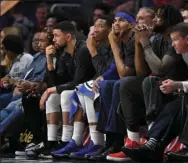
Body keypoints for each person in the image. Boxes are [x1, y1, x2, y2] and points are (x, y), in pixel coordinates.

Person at [122, 23, 188, 163]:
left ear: (187, 39)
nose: (173, 44)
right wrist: (178, 87)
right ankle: (154, 145)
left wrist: (179, 85)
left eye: (175, 40)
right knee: (175, 104)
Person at [112, 5, 188, 162]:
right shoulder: (158, 38)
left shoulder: (177, 38)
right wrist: (139, 44)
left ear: (168, 20)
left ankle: (151, 140)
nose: (153, 20)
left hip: (178, 90)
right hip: (160, 89)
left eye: (158, 17)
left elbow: (160, 70)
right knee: (127, 84)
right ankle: (133, 140)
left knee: (151, 81)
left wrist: (145, 42)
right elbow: (141, 72)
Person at [25, 21, 95, 159]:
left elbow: (79, 81)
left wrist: (50, 90)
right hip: (76, 89)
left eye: (56, 36)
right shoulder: (64, 55)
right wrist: (49, 61)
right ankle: (51, 142)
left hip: (89, 88)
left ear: (68, 37)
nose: (54, 39)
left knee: (63, 95)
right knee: (53, 97)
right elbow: (57, 82)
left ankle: (66, 140)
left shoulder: (82, 50)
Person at [50, 15, 114, 159]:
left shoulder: (90, 48)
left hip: (112, 84)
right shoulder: (100, 47)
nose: (95, 30)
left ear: (110, 30)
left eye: (100, 26)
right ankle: (72, 140)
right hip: (100, 84)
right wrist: (50, 62)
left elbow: (104, 72)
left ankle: (97, 142)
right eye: (94, 26)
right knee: (77, 90)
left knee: (85, 87)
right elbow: (58, 81)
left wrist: (92, 50)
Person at [88, 12, 136, 162]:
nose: (116, 24)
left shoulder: (127, 41)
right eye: (114, 20)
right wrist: (103, 77)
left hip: (139, 81)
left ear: (132, 24)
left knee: (113, 85)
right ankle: (109, 142)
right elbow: (111, 69)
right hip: (126, 81)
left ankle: (114, 142)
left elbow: (124, 73)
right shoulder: (121, 41)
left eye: (121, 21)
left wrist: (111, 45)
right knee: (105, 84)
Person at [0, 35, 33, 109]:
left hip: (23, 93)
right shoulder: (14, 61)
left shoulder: (27, 59)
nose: (4, 52)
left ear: (11, 50)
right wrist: (6, 79)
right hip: (12, 91)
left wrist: (13, 82)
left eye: (5, 50)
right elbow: (9, 79)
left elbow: (32, 79)